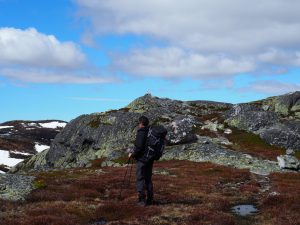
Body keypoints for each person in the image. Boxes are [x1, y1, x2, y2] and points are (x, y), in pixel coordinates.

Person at [128, 116, 154, 206]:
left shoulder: (141, 132)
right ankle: (150, 199)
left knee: (140, 178)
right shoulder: (150, 132)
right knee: (148, 179)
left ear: (141, 123)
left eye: (138, 123)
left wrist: (132, 154)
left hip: (142, 159)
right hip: (150, 159)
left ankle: (142, 200)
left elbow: (139, 147)